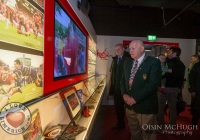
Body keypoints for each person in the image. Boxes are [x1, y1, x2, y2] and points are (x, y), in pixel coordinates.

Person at [120, 40, 161, 140]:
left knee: (148, 135)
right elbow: (122, 80)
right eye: (130, 48)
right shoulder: (128, 62)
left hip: (145, 107)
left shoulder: (153, 62)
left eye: (133, 48)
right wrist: (124, 94)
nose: (131, 51)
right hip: (129, 106)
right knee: (134, 132)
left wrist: (135, 98)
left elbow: (153, 85)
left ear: (142, 48)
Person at [157, 47, 185, 132]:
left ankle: (160, 127)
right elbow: (181, 78)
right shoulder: (182, 64)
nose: (167, 53)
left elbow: (162, 74)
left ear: (174, 53)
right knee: (173, 108)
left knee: (161, 108)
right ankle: (171, 127)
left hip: (164, 88)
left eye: (169, 52)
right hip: (175, 89)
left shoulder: (167, 63)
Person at [110, 43, 130, 130]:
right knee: (118, 107)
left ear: (123, 49)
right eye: (115, 50)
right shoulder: (114, 60)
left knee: (130, 108)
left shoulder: (128, 59)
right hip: (116, 88)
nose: (117, 51)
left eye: (118, 49)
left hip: (126, 88)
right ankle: (120, 123)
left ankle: (133, 126)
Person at [188, 55, 200, 125]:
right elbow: (191, 78)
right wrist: (193, 90)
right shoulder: (197, 65)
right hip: (198, 90)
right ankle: (194, 123)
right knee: (197, 107)